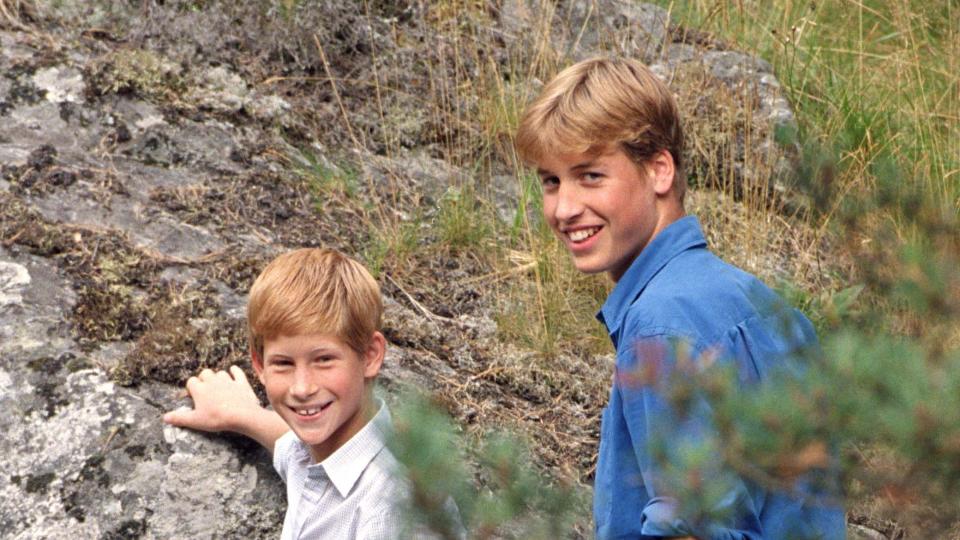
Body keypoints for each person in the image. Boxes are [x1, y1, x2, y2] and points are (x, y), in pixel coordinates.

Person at [514, 57, 844, 539]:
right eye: (551, 181)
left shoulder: (658, 325)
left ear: (659, 170)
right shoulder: (758, 302)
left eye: (590, 176)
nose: (564, 208)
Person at [164, 248, 416, 539]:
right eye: (283, 363)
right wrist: (242, 414)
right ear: (259, 365)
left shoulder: (391, 509)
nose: (302, 388)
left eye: (324, 360)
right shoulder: (313, 452)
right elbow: (290, 444)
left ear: (370, 356)